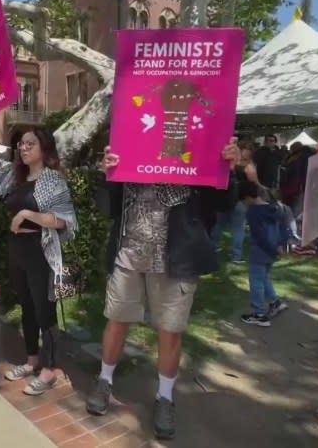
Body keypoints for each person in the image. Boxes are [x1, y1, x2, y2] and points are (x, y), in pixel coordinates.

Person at [85, 140, 240, 440]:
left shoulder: (195, 149)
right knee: (116, 321)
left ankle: (165, 397)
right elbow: (107, 207)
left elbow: (224, 203)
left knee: (170, 330)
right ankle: (104, 380)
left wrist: (227, 170)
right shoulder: (130, 146)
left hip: (175, 258)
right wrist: (109, 174)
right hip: (129, 255)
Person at [0, 125, 77, 396]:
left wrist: (27, 215)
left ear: (43, 147)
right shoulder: (15, 177)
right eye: (20, 144)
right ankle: (32, 360)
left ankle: (49, 369)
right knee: (27, 307)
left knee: (45, 310)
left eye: (30, 143)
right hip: (17, 249)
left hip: (40, 249)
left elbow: (64, 220)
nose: (23, 147)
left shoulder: (53, 180)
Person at [239, 181, 290, 327]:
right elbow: (282, 227)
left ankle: (259, 313)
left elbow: (260, 236)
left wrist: (273, 249)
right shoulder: (274, 207)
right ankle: (275, 302)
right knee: (265, 277)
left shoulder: (253, 212)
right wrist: (280, 245)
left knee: (256, 281)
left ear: (248, 197)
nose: (244, 203)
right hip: (274, 248)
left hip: (261, 250)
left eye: (244, 200)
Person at [212, 143, 258, 263]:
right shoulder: (249, 166)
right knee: (237, 229)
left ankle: (214, 248)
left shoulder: (225, 164)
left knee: (219, 225)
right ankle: (236, 256)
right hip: (240, 200)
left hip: (223, 198)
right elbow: (254, 184)